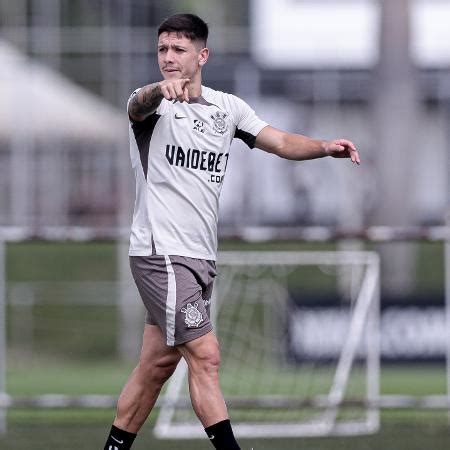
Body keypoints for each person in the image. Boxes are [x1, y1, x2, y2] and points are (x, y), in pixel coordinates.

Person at [103, 12, 360, 450]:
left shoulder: (228, 109)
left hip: (199, 256)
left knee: (155, 366)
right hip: (161, 253)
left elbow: (278, 141)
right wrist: (154, 93)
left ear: (202, 55)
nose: (168, 57)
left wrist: (322, 148)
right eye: (162, 49)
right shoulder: (151, 106)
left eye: (178, 49)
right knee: (206, 356)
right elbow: (136, 105)